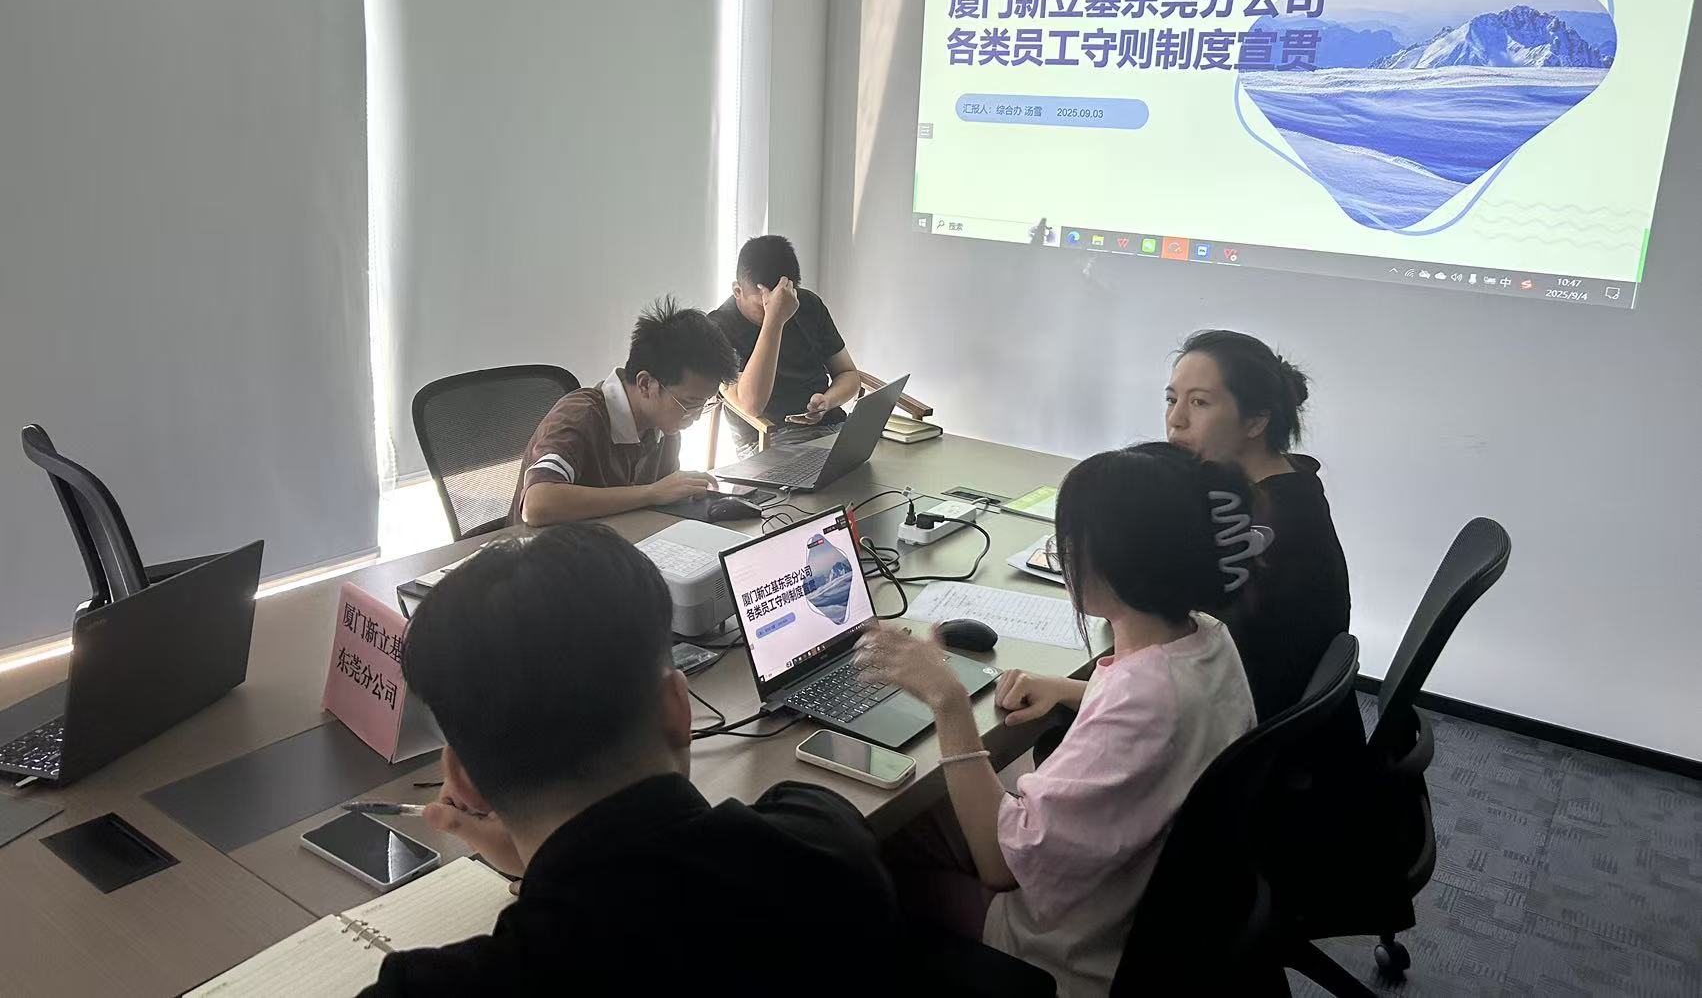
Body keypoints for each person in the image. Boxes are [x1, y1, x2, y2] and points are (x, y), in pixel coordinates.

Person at [361, 524, 899, 996]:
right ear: (678, 709)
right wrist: (569, 854)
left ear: (462, 781)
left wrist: (544, 858)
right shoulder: (828, 846)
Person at [857, 443, 1258, 998]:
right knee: (927, 813)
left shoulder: (1143, 703)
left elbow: (1000, 865)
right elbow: (1172, 711)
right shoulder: (1207, 636)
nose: (1060, 553)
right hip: (1145, 905)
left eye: (1066, 541)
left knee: (865, 862)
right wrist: (1074, 689)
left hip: (1068, 949)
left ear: (1116, 562)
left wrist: (947, 698)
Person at [1164, 328, 1350, 721]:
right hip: (1269, 714)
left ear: (1255, 421)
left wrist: (1077, 691)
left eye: (1199, 402)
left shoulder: (1271, 528)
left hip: (1251, 731)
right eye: (1171, 399)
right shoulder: (1280, 485)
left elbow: (1203, 681)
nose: (1176, 420)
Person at [509, 297, 738, 525]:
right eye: (690, 403)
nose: (696, 415)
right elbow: (537, 504)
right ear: (646, 384)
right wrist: (651, 493)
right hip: (549, 545)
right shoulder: (581, 416)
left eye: (704, 404)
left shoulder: (663, 426)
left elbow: (659, 505)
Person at [707, 235, 860, 454]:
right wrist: (775, 320)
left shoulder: (808, 304)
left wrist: (828, 401)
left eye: (783, 299)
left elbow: (848, 373)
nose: (776, 307)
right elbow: (752, 405)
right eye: (763, 305)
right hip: (767, 440)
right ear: (737, 291)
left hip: (831, 428)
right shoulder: (718, 328)